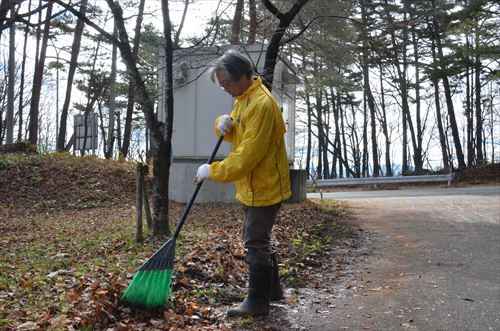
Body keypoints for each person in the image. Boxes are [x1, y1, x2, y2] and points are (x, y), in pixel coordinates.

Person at [194, 49, 291, 317]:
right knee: (259, 237)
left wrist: (213, 171)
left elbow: (248, 155)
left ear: (245, 75)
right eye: (222, 84)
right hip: (253, 185)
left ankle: (257, 302)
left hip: (265, 186)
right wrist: (221, 124)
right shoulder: (244, 98)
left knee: (254, 240)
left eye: (228, 83)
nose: (226, 89)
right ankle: (272, 291)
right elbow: (237, 131)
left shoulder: (261, 104)